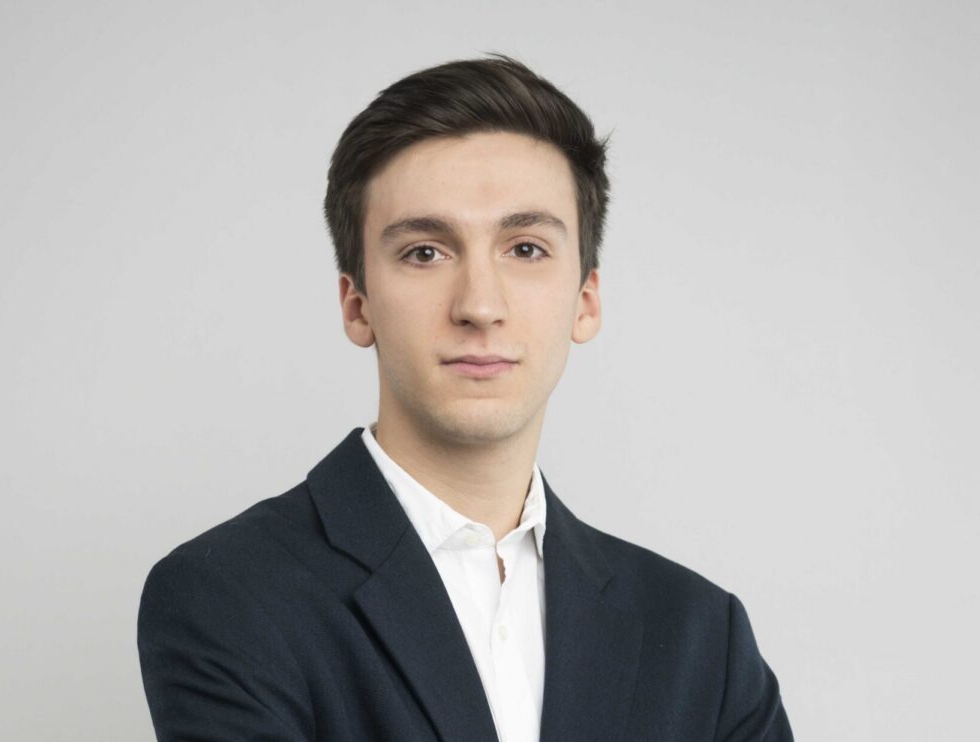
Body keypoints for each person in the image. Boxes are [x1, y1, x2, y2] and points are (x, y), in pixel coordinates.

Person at [137, 53, 794, 741]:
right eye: (425, 252)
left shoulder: (701, 637)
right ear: (358, 306)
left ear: (586, 300)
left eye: (526, 249)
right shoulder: (229, 595)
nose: (480, 305)